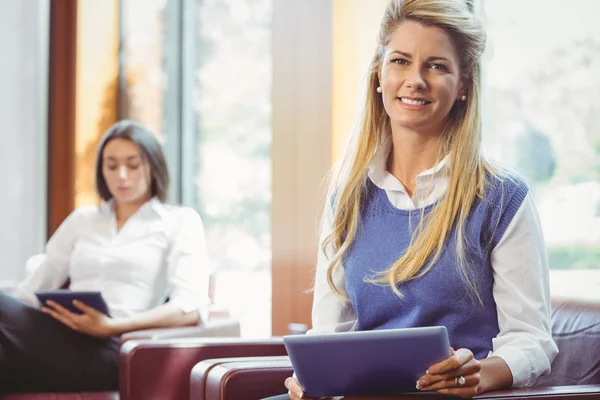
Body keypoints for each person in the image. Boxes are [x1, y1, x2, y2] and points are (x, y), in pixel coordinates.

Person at [273, 0, 558, 399]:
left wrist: (479, 375)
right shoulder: (348, 193)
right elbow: (330, 330)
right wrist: (310, 378)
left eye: (437, 66)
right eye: (401, 61)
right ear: (379, 73)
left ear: (463, 86)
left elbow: (531, 339)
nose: (415, 80)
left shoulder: (501, 197)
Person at [1, 120, 211, 393]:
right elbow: (31, 290)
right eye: (111, 166)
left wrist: (112, 326)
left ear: (153, 167)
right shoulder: (82, 220)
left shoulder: (179, 221)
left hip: (115, 348)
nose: (121, 175)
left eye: (133, 165)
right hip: (57, 337)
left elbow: (191, 308)